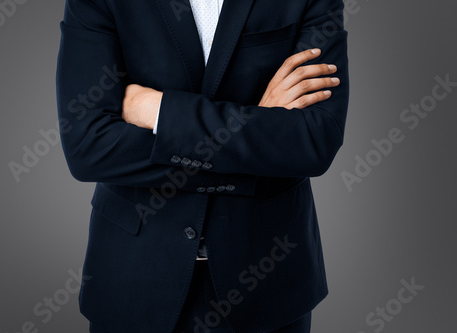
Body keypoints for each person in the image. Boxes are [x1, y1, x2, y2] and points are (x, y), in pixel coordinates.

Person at [56, 0, 349, 332]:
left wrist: (160, 111)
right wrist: (258, 123)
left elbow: (314, 141)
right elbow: (88, 147)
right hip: (133, 283)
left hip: (268, 285)